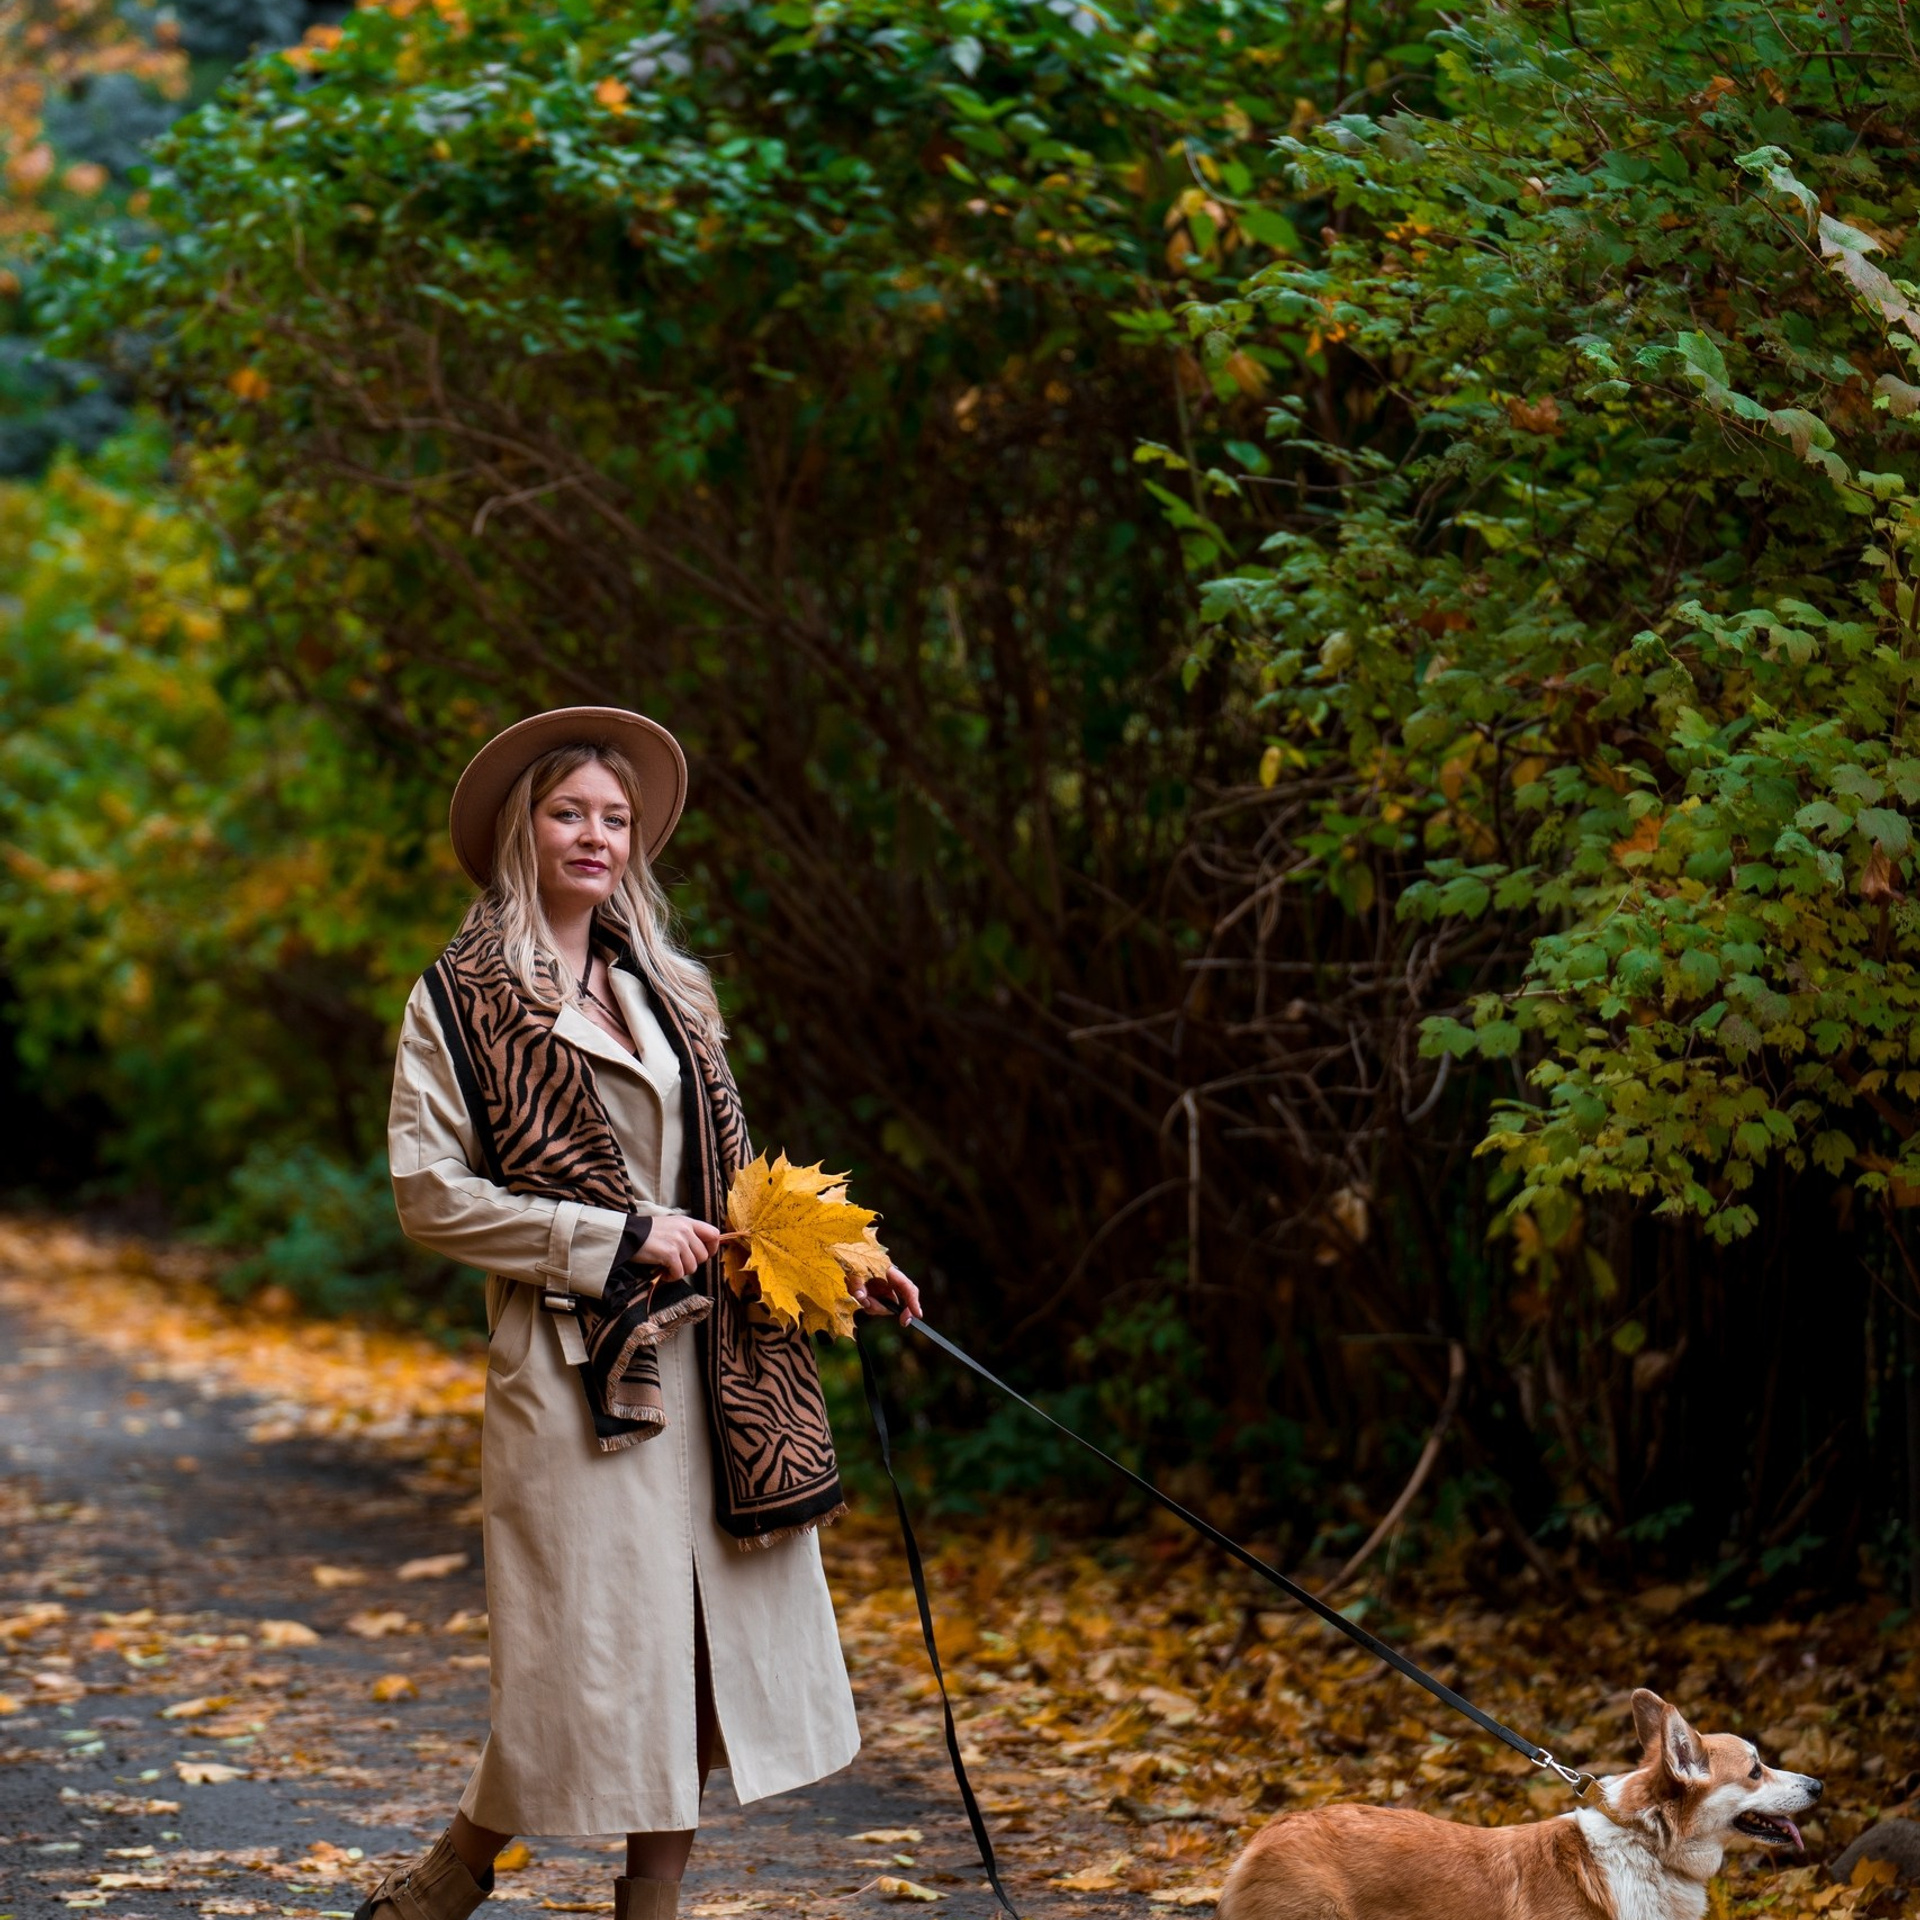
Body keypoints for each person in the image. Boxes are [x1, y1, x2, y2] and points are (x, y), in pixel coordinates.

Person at [360, 707, 921, 1920]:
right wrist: (607, 1237)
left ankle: (610, 1908)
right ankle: (460, 1866)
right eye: (570, 813)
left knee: (694, 1667)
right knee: (594, 1670)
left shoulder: (669, 985)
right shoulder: (458, 1000)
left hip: (721, 1369)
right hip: (576, 1377)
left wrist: (839, 1262)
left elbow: (732, 1188)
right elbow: (428, 1197)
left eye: (615, 819)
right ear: (525, 828)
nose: (595, 836)